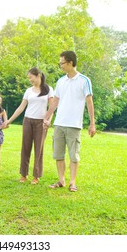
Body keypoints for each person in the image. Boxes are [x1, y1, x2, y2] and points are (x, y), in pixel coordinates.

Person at [44, 50, 96, 192]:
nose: (60, 66)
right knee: (58, 154)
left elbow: (89, 102)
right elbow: (55, 101)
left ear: (71, 63)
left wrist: (92, 124)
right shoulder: (61, 81)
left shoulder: (84, 80)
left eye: (62, 63)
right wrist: (47, 116)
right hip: (59, 124)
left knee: (74, 155)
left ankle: (72, 182)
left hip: (74, 125)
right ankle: (61, 181)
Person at [2, 67, 54, 185]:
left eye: (31, 77)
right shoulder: (29, 91)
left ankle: (36, 176)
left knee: (38, 149)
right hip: (28, 121)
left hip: (41, 122)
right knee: (25, 147)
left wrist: (48, 120)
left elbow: (51, 108)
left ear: (38, 75)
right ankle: (23, 174)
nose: (30, 80)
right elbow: (21, 107)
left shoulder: (49, 90)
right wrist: (9, 121)